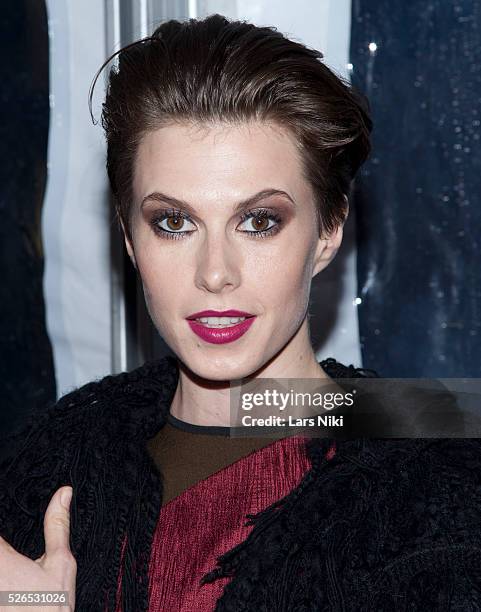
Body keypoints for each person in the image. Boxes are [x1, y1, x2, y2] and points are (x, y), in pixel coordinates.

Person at [1, 13, 481, 612]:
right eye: (173, 223)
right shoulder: (57, 457)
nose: (215, 272)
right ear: (129, 237)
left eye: (259, 222)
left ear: (329, 230)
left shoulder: (436, 483)